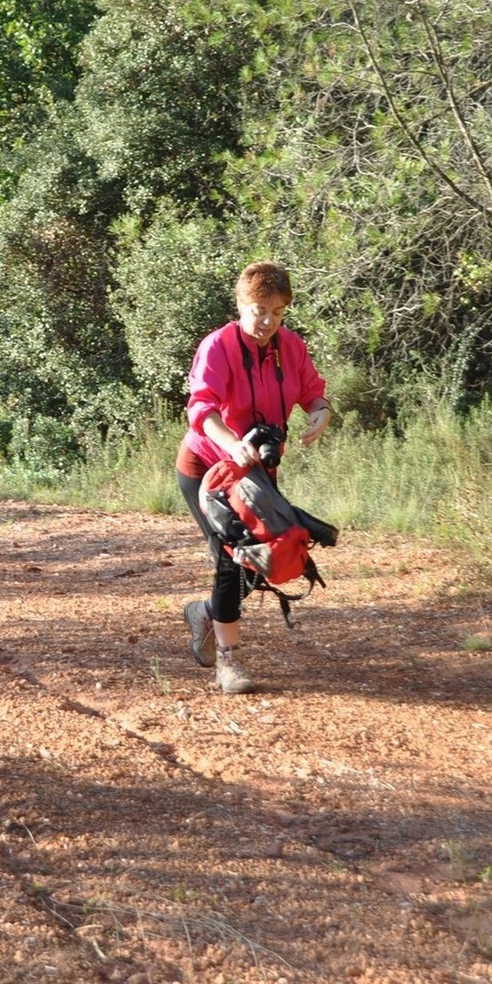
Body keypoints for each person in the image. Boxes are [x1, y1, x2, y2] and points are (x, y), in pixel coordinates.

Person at [175, 261, 332, 693]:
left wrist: (320, 412)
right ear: (242, 304)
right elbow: (201, 408)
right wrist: (231, 443)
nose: (267, 322)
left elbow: (312, 391)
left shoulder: (290, 346)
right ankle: (229, 661)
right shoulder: (218, 346)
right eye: (259, 310)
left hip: (257, 472)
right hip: (208, 468)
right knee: (233, 556)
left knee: (267, 558)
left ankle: (205, 612)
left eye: (278, 312)